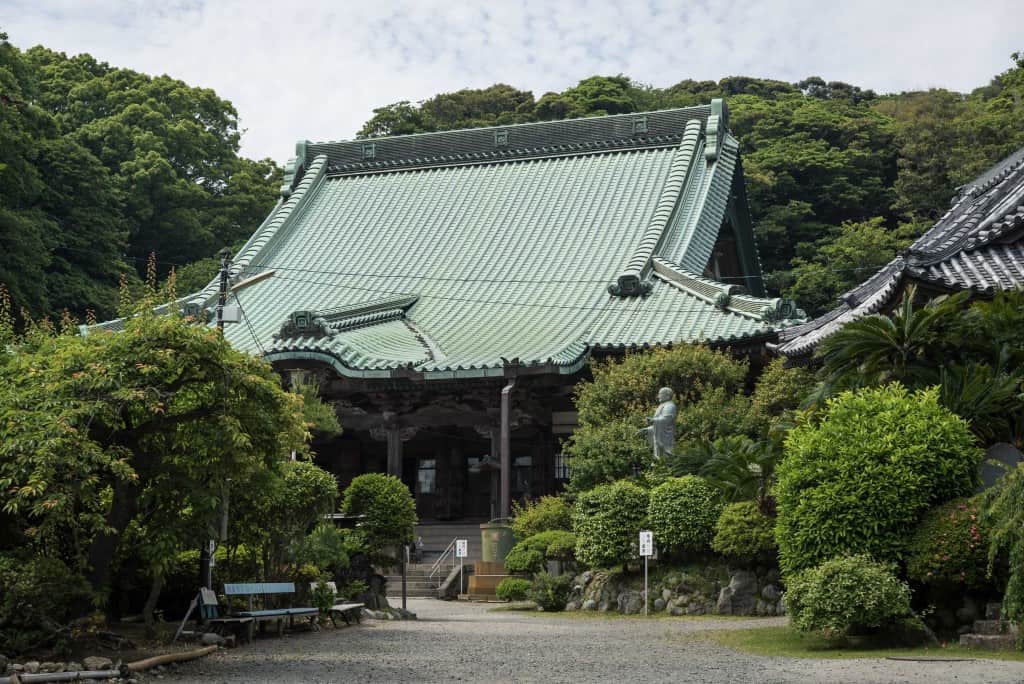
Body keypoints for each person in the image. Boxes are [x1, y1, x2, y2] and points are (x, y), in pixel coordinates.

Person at [640, 387, 677, 459]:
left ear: (667, 395)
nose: (658, 396)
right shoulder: (662, 406)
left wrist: (653, 420)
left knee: (666, 459)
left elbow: (666, 420)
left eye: (660, 394)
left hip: (666, 438)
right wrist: (648, 429)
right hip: (660, 436)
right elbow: (659, 422)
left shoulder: (670, 406)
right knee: (659, 459)